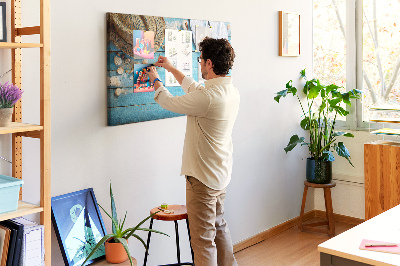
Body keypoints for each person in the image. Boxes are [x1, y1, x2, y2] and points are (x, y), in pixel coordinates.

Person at [144, 37, 239, 266]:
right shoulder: (230, 92)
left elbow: (169, 102)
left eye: (200, 61)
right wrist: (170, 68)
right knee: (219, 229)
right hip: (219, 175)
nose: (199, 65)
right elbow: (194, 88)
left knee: (203, 241)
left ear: (208, 63)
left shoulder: (207, 98)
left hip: (202, 179)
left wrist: (155, 79)